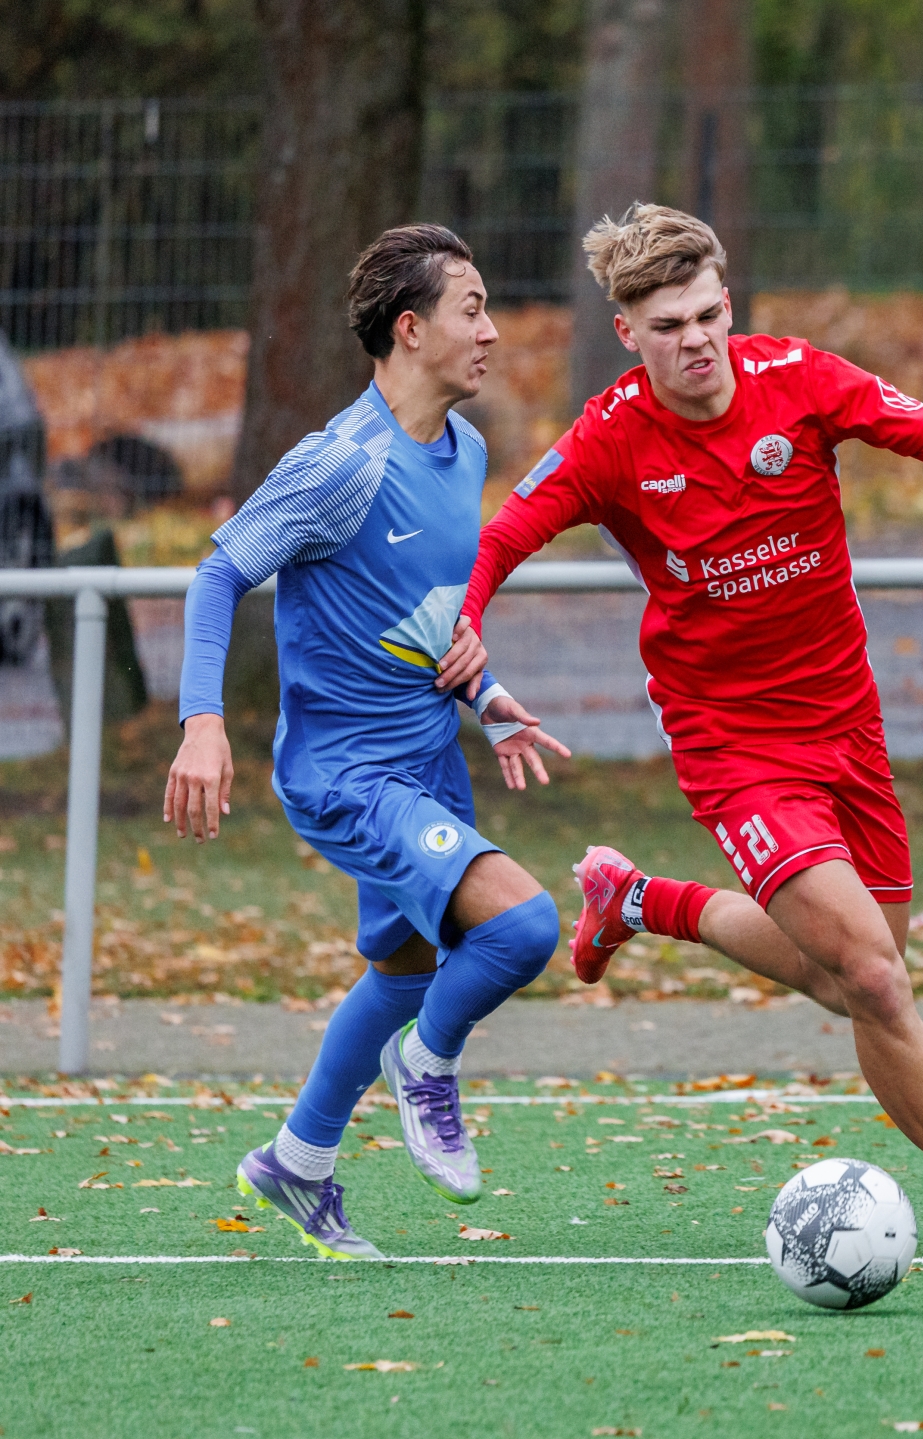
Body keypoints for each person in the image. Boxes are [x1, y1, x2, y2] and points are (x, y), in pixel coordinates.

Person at [458, 202, 923, 1258]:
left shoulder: (801, 379)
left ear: (729, 304)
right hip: (733, 745)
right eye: (668, 326)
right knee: (875, 978)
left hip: (847, 725)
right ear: (627, 332)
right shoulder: (611, 439)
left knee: (853, 975)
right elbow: (505, 534)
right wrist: (470, 624)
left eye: (708, 315)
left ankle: (643, 899)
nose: (696, 342)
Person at [164, 224, 570, 1261]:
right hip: (348, 777)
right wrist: (202, 721)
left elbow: (422, 619)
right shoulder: (342, 464)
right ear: (411, 328)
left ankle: (296, 1161)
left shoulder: (465, 450)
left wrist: (488, 694)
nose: (492, 330)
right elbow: (219, 573)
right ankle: (426, 1065)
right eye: (472, 308)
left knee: (404, 973)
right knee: (524, 927)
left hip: (428, 761)